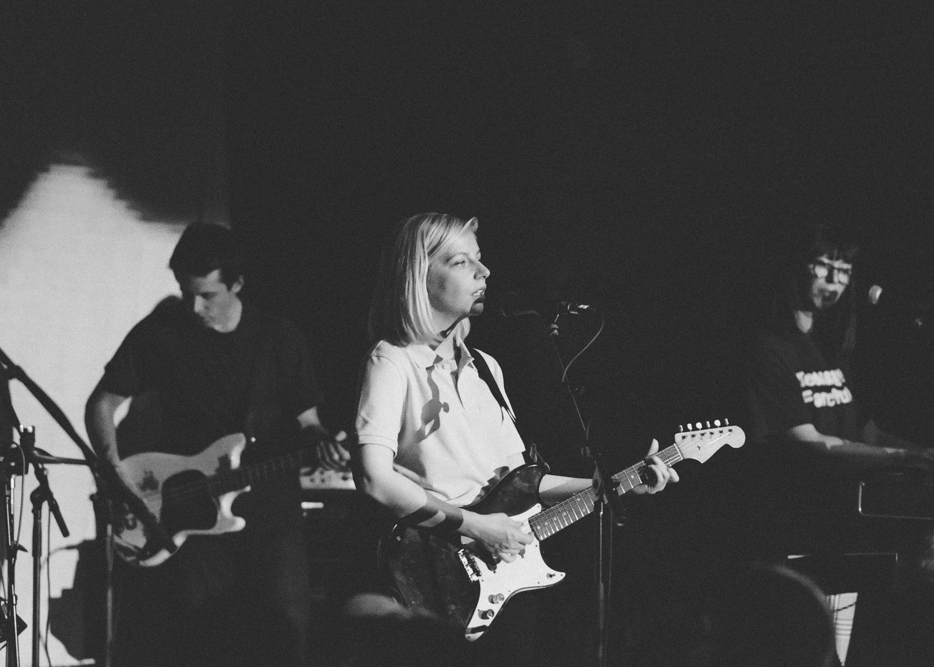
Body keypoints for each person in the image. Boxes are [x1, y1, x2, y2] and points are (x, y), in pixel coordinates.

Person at [350, 212, 677, 666]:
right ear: (418, 276)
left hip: (502, 572)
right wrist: (476, 525)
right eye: (462, 262)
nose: (483, 273)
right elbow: (374, 479)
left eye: (480, 260)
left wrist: (619, 486)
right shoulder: (392, 361)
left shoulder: (487, 365)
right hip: (434, 567)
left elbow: (523, 482)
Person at [85, 222, 347, 667]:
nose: (193, 306)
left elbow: (308, 420)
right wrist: (113, 466)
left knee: (286, 632)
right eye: (185, 292)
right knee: (201, 640)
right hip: (192, 511)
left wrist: (321, 440)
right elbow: (103, 402)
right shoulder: (160, 332)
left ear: (237, 283)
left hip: (270, 510)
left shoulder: (278, 338)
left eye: (206, 295)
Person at [744, 223, 934, 664]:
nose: (834, 282)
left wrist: (921, 453)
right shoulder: (768, 345)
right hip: (791, 528)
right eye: (825, 267)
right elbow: (810, 443)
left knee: (839, 651)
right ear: (797, 268)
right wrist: (907, 456)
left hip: (841, 525)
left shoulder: (830, 348)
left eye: (844, 271)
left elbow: (863, 432)